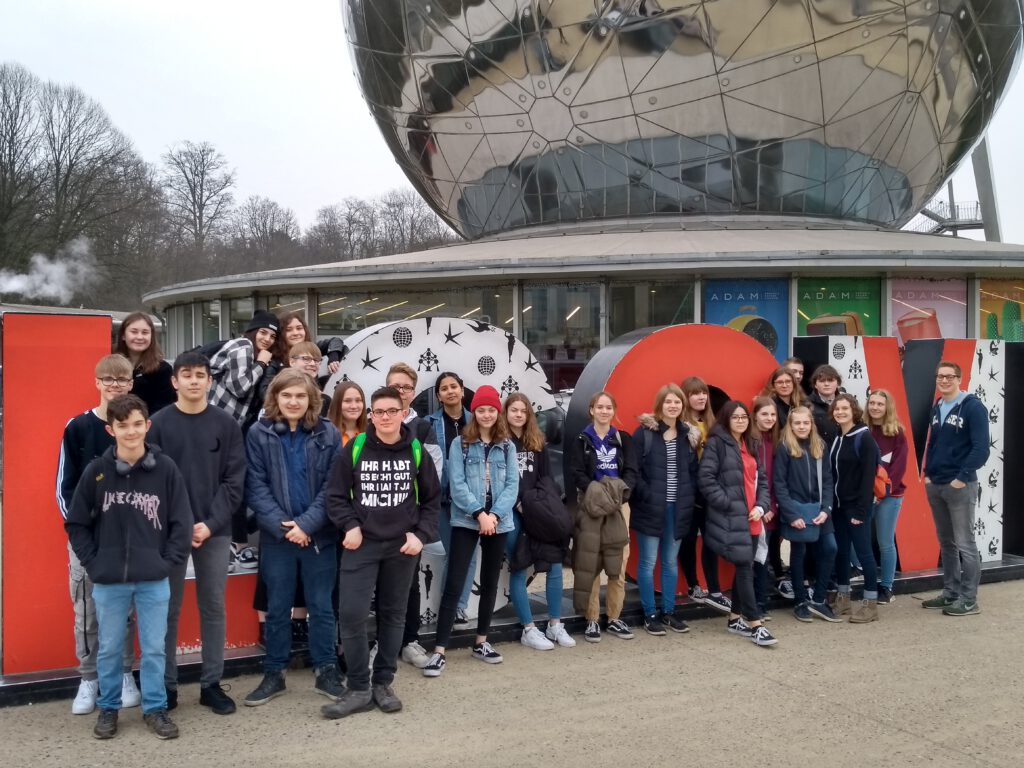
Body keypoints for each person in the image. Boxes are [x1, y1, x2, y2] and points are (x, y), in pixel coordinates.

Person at [64, 394, 192, 740]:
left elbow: (182, 521)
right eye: (123, 426)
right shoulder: (97, 472)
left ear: (147, 426)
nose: (131, 432)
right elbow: (76, 523)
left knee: (153, 647)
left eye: (138, 424)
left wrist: (167, 562)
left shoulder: (166, 470)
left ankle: (155, 708)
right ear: (111, 429)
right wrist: (94, 561)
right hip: (110, 580)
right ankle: (109, 708)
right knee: (109, 647)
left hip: (153, 578)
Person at [323, 386, 442, 718]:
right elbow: (335, 496)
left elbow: (432, 501)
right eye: (379, 412)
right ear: (370, 415)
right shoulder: (356, 448)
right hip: (361, 544)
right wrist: (349, 526)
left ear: (404, 413)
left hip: (401, 547)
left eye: (392, 411)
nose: (385, 417)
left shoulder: (416, 451)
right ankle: (359, 687)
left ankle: (382, 683)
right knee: (351, 614)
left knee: (394, 616)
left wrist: (421, 535)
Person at [148, 351, 246, 715]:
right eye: (185, 374)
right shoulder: (157, 424)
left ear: (210, 380)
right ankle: (167, 686)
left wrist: (210, 523)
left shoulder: (227, 424)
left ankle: (211, 684)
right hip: (170, 531)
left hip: (215, 529)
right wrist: (182, 524)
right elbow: (153, 481)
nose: (193, 380)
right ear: (174, 381)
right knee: (167, 609)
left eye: (200, 374)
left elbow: (234, 482)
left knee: (213, 606)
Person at [242, 369, 345, 707]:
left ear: (310, 399)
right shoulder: (258, 434)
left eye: (300, 396)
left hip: (319, 537)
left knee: (321, 607)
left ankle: (326, 669)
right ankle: (274, 673)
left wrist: (306, 526)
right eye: (287, 395)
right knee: (277, 608)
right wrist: (286, 528)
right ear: (275, 398)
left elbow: (333, 487)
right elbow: (255, 487)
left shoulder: (328, 434)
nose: (293, 401)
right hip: (278, 539)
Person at [56, 354, 141, 716]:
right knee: (87, 611)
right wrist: (81, 533)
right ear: (97, 382)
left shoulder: (137, 427)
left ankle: (123, 675)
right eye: (108, 379)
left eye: (121, 379)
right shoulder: (77, 427)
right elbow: (64, 488)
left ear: (131, 384)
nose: (115, 385)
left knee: (124, 611)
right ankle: (88, 678)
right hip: (88, 541)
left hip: (130, 540)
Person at [423, 385, 519, 677]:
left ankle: (482, 641)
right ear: (473, 412)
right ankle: (439, 650)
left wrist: (494, 515)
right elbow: (458, 483)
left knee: (490, 581)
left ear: (497, 412)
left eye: (491, 409)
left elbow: (513, 485)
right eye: (481, 409)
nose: (487, 414)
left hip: (498, 521)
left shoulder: (507, 445)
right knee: (455, 581)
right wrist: (479, 513)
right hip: (466, 519)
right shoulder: (461, 444)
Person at [698, 400, 778, 647]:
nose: (741, 421)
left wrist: (761, 506)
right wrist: (731, 505)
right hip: (733, 518)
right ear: (726, 419)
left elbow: (762, 481)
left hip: (753, 519)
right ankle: (756, 624)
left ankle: (734, 620)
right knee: (745, 568)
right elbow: (706, 480)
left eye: (744, 417)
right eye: (736, 417)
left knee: (747, 567)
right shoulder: (716, 444)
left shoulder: (751, 443)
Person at [504, 392, 575, 650]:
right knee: (521, 566)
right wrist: (518, 504)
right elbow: (499, 482)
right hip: (512, 512)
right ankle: (529, 629)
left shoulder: (537, 441)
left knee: (555, 565)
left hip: (537, 511)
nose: (519, 414)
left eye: (523, 410)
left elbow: (546, 479)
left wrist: (540, 506)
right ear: (506, 412)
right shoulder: (501, 442)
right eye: (514, 410)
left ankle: (555, 624)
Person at [385, 362, 444, 669]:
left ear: (413, 392)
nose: (400, 392)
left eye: (406, 387)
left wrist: (420, 525)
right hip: (378, 522)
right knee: (382, 583)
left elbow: (433, 478)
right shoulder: (376, 425)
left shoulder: (424, 429)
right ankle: (384, 642)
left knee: (409, 582)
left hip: (410, 523)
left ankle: (409, 640)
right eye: (395, 386)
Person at [568, 391, 638, 643]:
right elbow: (576, 472)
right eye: (600, 407)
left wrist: (620, 495)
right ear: (592, 410)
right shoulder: (581, 440)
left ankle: (615, 617)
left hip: (619, 507)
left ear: (613, 411)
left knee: (618, 561)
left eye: (609, 407)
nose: (604, 411)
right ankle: (592, 620)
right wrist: (596, 494)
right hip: (591, 505)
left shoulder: (623, 439)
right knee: (591, 561)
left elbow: (631, 471)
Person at [921, 361, 990, 616]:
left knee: (965, 544)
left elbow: (981, 448)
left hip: (961, 486)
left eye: (949, 377)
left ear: (959, 378)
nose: (944, 381)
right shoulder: (937, 407)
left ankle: (969, 599)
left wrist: (961, 477)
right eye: (940, 376)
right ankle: (951, 593)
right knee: (946, 543)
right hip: (936, 484)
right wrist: (927, 473)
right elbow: (934, 443)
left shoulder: (973, 407)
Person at [631, 384, 696, 635]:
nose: (673, 406)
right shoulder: (645, 433)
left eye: (677, 402)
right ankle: (650, 614)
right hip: (650, 508)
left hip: (677, 509)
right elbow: (634, 472)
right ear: (660, 404)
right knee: (647, 563)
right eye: (668, 401)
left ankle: (669, 612)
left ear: (682, 406)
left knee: (670, 562)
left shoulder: (687, 435)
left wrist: (688, 499)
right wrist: (648, 496)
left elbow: (692, 472)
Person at [774, 406, 840, 623]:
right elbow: (780, 485)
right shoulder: (784, 448)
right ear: (790, 425)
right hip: (797, 511)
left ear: (812, 424)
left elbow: (829, 481)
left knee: (830, 548)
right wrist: (792, 514)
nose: (802, 427)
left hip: (820, 511)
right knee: (798, 554)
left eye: (806, 423)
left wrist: (827, 509)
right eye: (797, 423)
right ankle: (800, 601)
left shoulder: (820, 446)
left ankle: (819, 600)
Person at [424, 371, 476, 630]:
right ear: (438, 396)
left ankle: (459, 607)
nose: (450, 391)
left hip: (471, 501)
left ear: (462, 390)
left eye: (454, 386)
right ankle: (449, 603)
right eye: (444, 388)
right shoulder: (429, 423)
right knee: (449, 554)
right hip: (443, 499)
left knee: (469, 556)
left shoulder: (477, 421)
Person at [677, 376, 731, 614]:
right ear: (685, 398)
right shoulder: (679, 426)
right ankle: (693, 585)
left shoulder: (713, 424)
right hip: (689, 492)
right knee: (688, 539)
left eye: (704, 393)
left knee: (712, 538)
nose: (701, 397)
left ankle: (715, 589)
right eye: (695, 393)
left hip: (711, 491)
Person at [828, 393, 881, 623]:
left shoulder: (864, 437)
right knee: (841, 552)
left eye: (845, 409)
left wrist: (861, 511)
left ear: (854, 411)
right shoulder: (838, 437)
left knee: (863, 554)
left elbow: (868, 477)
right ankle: (843, 598)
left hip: (857, 507)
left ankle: (870, 604)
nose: (840, 412)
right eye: (837, 409)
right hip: (838, 507)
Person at [864, 389, 909, 605]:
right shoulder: (862, 430)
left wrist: (882, 493)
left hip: (889, 496)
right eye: (872, 403)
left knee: (885, 542)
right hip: (864, 496)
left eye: (879, 404)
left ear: (887, 407)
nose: (875, 407)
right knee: (856, 541)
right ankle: (864, 579)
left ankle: (886, 587)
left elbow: (898, 469)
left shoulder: (897, 433)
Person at [751, 396, 781, 614]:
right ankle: (752, 602)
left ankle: (761, 602)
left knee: (763, 556)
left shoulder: (778, 440)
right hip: (753, 509)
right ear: (755, 416)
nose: (769, 418)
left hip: (770, 509)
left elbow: (778, 478)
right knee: (752, 558)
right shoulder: (750, 441)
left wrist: (772, 506)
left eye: (772, 414)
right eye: (764, 414)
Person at [115, 312, 174, 414]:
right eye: (134, 332)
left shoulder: (163, 369)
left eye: (145, 332)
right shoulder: (112, 366)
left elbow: (165, 408)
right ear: (123, 335)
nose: (140, 337)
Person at [288, 341, 331, 415]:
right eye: (306, 359)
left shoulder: (324, 399)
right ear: (292, 362)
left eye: (316, 360)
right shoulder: (279, 392)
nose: (313, 364)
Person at [808, 364, 842, 444]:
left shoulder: (846, 404)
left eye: (830, 380)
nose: (826, 384)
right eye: (822, 381)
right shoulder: (806, 405)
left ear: (838, 383)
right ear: (815, 384)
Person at [327, 380, 367, 446]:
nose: (354, 406)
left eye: (358, 400)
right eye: (347, 401)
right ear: (337, 404)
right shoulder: (327, 435)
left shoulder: (371, 434)